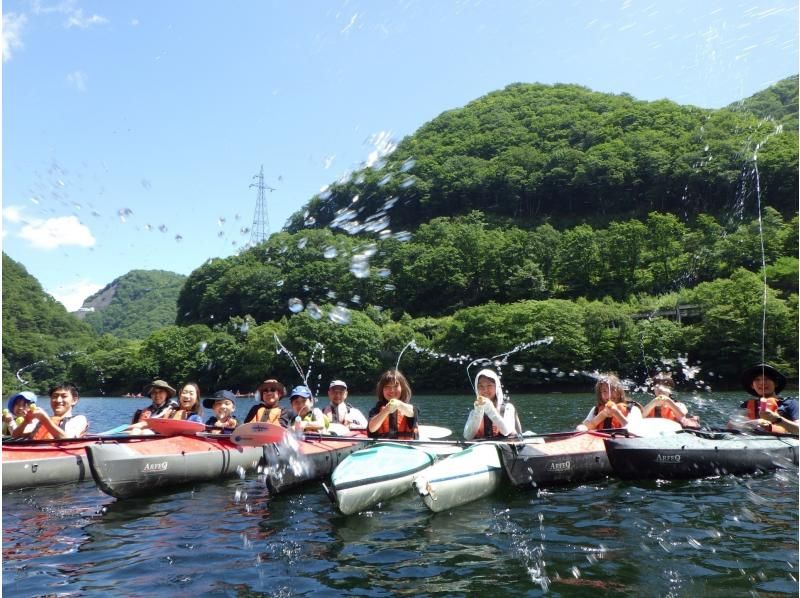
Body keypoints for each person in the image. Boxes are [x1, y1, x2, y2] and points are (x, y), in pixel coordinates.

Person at [729, 364, 799, 435]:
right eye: (757, 379)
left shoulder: (791, 404)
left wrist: (776, 419)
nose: (762, 383)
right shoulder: (746, 405)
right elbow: (732, 426)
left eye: (767, 379)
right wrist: (753, 423)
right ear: (752, 386)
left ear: (776, 383)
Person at [12, 382, 88, 440]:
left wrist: (44, 419)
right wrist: (26, 421)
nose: (58, 400)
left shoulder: (79, 419)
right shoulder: (44, 421)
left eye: (64, 396)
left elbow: (67, 439)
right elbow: (15, 436)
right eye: (55, 396)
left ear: (74, 400)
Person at [463, 369, 522, 440]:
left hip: (506, 445)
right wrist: (478, 411)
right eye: (480, 386)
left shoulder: (508, 408)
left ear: (496, 387)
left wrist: (489, 408)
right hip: (481, 446)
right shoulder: (474, 412)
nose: (485, 390)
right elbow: (467, 436)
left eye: (489, 385)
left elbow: (506, 431)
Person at [577, 373, 642, 431]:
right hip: (600, 440)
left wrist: (616, 413)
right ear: (600, 394)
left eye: (613, 390)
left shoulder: (632, 409)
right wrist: (603, 414)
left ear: (619, 392)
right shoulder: (595, 410)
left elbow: (633, 429)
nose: (609, 395)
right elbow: (584, 426)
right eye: (604, 391)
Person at [367, 369, 419, 439]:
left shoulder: (410, 408)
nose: (392, 390)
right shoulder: (375, 410)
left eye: (396, 386)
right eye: (387, 387)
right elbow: (372, 428)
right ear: (382, 390)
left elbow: (412, 413)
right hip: (381, 444)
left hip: (404, 445)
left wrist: (398, 404)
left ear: (402, 388)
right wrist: (386, 410)